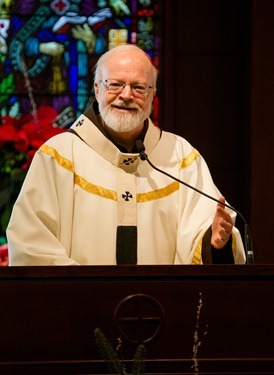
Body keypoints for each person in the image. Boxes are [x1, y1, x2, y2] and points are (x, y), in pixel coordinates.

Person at [7, 44, 246, 266]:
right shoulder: (58, 156)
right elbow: (31, 244)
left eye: (139, 87)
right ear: (97, 88)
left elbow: (206, 232)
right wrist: (88, 295)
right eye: (115, 84)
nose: (126, 95)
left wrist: (214, 243)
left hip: (163, 308)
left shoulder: (181, 157)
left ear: (152, 95)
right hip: (79, 308)